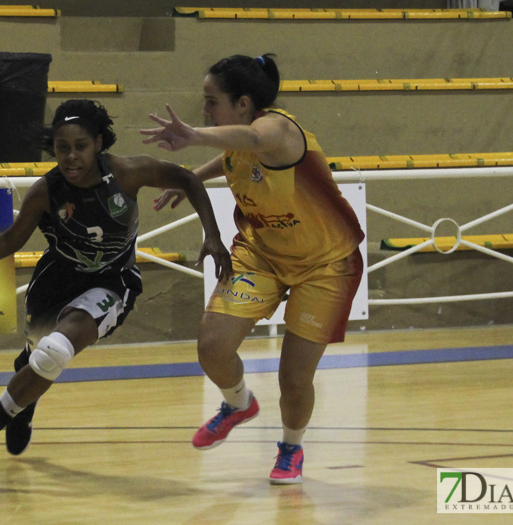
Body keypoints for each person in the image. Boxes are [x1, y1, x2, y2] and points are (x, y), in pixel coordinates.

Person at [0, 99, 232, 472]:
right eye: (62, 148)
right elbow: (10, 240)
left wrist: (212, 234)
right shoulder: (45, 191)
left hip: (113, 282)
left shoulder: (128, 173)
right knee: (36, 357)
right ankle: (23, 404)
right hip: (58, 279)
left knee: (54, 352)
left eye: (80, 146)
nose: (70, 157)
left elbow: (188, 179)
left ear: (98, 142)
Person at [141, 54, 364, 484]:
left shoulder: (277, 128)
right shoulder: (240, 140)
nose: (204, 110)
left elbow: (251, 139)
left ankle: (291, 448)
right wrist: (192, 178)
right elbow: (234, 153)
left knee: (294, 378)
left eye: (211, 101)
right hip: (262, 254)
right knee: (212, 346)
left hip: (327, 265)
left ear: (243, 103)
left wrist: (192, 135)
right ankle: (239, 404)